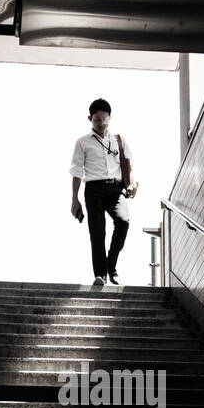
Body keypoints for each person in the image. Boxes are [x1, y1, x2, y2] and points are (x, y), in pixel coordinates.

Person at [69, 98, 137, 286]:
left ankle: (111, 266)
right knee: (97, 232)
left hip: (115, 189)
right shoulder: (82, 142)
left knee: (123, 222)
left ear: (110, 118)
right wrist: (74, 199)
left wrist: (131, 184)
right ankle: (100, 274)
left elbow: (127, 163)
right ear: (90, 118)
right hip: (93, 189)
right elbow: (76, 171)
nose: (101, 123)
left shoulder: (118, 140)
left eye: (105, 119)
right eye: (97, 119)